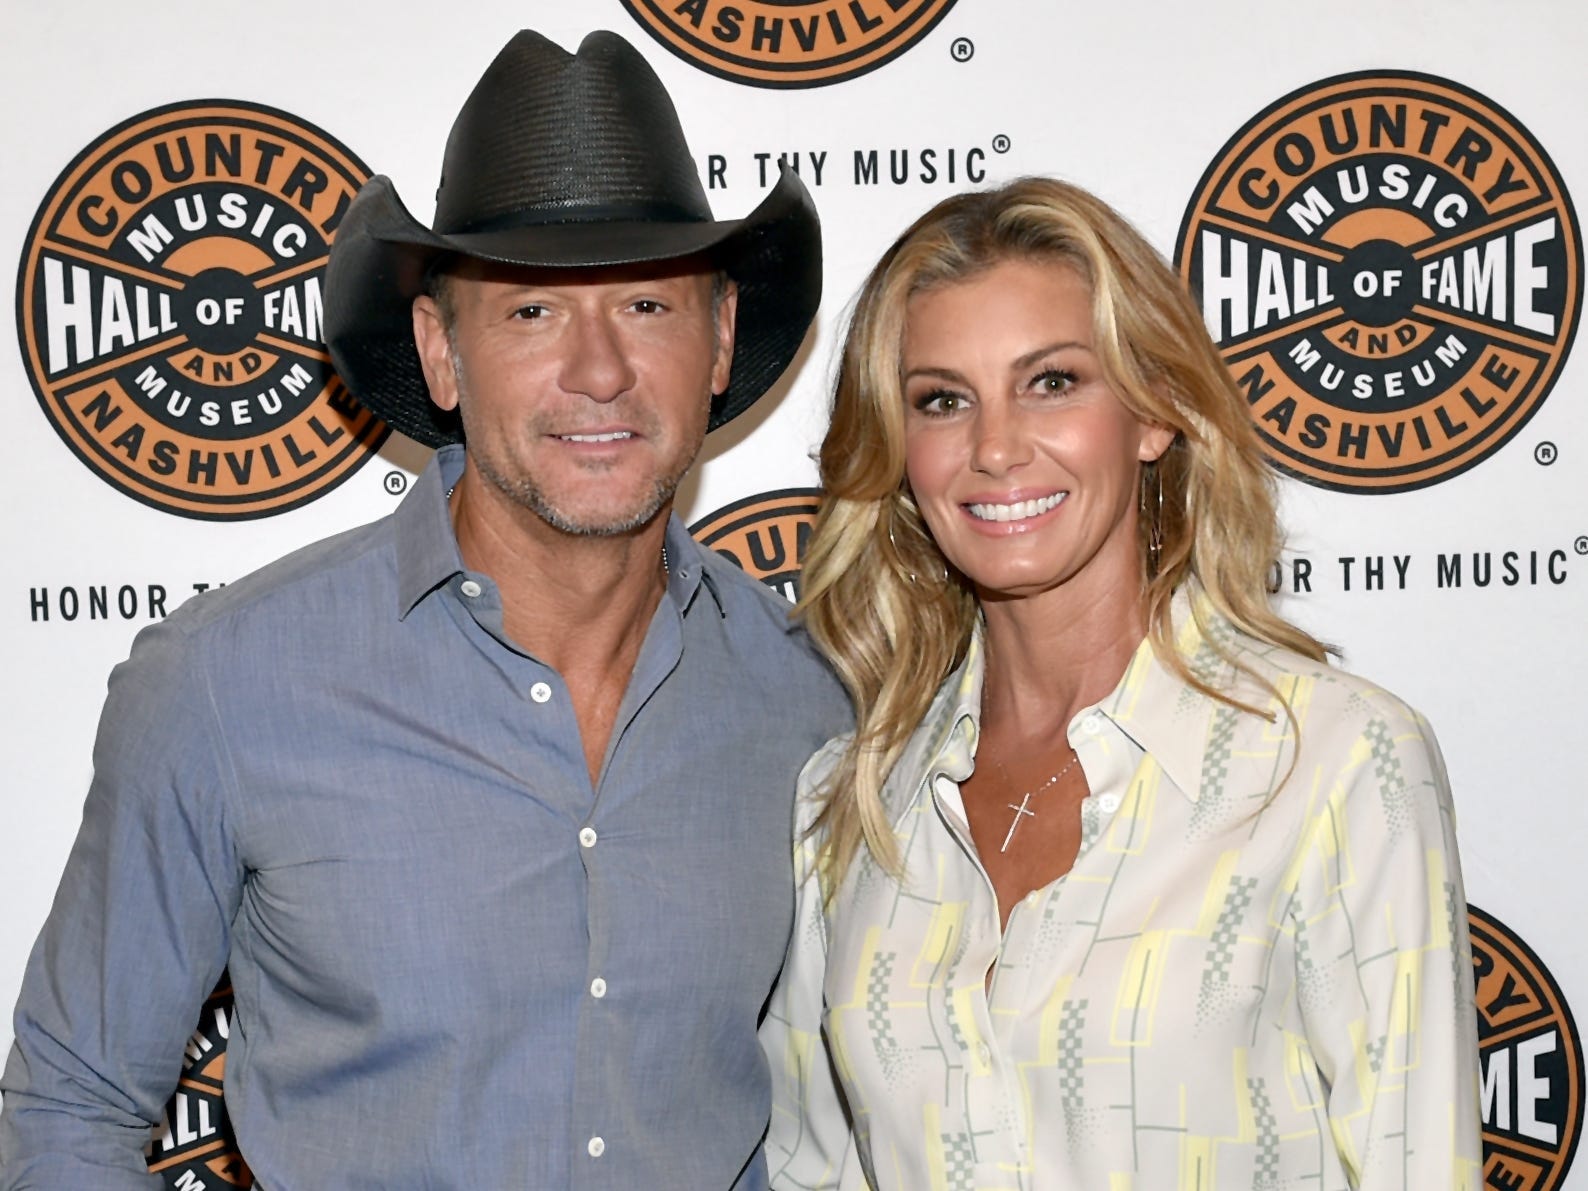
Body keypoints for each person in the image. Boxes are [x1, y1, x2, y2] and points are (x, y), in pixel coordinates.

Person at [1, 30, 848, 1190]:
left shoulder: (807, 695)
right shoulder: (226, 684)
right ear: (440, 354)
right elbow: (70, 1112)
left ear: (720, 342)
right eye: (532, 314)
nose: (600, 371)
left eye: (648, 305)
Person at [760, 178, 1481, 1190]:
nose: (995, 448)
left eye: (1051, 382)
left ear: (1153, 414)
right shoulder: (847, 810)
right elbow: (814, 1172)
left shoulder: (1331, 761)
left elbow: (1419, 1163)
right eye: (942, 400)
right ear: (900, 450)